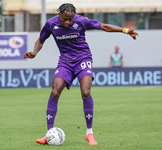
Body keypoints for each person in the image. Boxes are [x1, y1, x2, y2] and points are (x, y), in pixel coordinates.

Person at [24, 3, 138, 145]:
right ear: (59, 15)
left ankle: (89, 133)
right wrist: (34, 53)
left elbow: (104, 27)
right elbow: (41, 40)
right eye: (65, 19)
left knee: (85, 91)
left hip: (83, 58)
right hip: (65, 61)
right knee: (55, 91)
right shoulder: (50, 24)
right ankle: (48, 134)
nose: (68, 22)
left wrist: (126, 30)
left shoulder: (81, 21)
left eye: (70, 19)